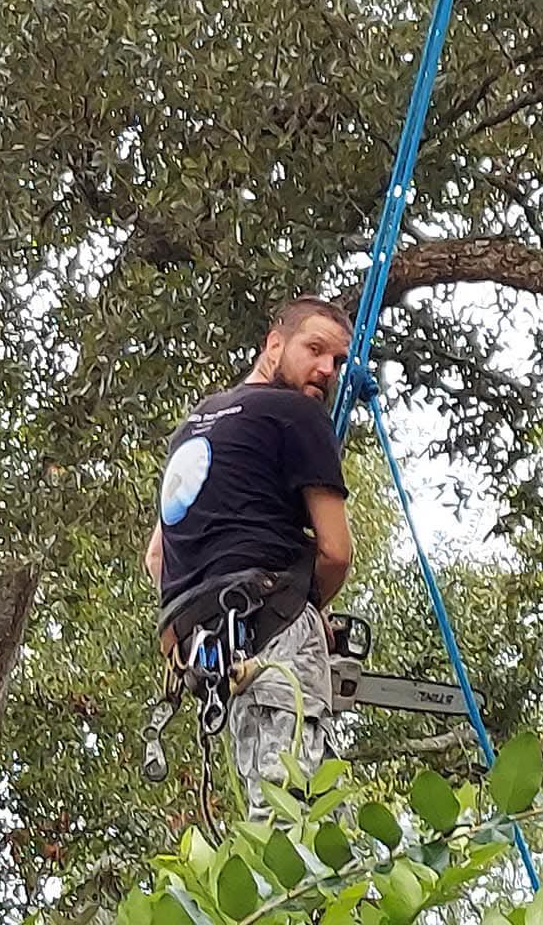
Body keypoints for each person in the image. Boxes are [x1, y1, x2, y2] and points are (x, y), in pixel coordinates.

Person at [144, 296, 354, 820]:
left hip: (208, 643)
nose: (327, 370)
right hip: (268, 622)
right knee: (296, 824)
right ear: (275, 344)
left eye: (338, 361)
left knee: (286, 812)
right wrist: (304, 609)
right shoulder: (298, 415)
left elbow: (156, 556)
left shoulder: (195, 427)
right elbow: (335, 551)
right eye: (315, 350)